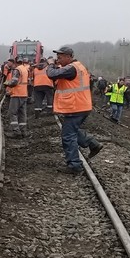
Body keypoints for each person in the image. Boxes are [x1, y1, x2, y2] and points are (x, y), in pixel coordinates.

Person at [46, 46, 102, 175]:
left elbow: (51, 74)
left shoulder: (71, 68)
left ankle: (75, 166)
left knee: (68, 136)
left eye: (60, 57)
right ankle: (92, 143)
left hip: (75, 106)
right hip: (81, 106)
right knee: (72, 130)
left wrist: (50, 65)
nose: (57, 59)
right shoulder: (77, 66)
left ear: (68, 56)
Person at [4, 58, 29, 137]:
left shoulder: (17, 70)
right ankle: (23, 131)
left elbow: (14, 82)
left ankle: (16, 132)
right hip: (24, 94)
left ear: (15, 63)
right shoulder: (24, 69)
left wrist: (7, 83)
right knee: (22, 114)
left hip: (17, 94)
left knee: (12, 113)